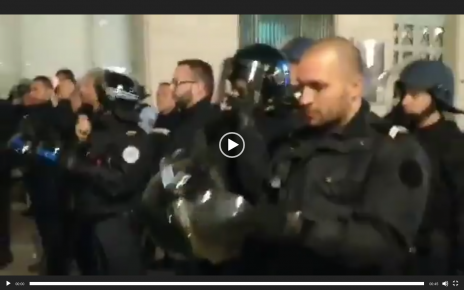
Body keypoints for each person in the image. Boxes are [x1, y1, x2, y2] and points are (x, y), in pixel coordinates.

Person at [240, 37, 431, 275]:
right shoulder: (296, 142)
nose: (305, 99)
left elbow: (384, 245)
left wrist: (300, 228)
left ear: (355, 87)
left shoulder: (392, 150)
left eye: (318, 87)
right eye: (301, 87)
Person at [64, 69, 153, 275]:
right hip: (88, 219)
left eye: (87, 87)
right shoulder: (94, 128)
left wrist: (79, 166)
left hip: (114, 224)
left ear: (107, 94)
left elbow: (121, 182)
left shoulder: (131, 134)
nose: (82, 91)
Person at [385, 60, 464, 275]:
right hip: (396, 250)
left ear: (437, 96)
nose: (405, 101)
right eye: (404, 93)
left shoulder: (453, 145)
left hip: (433, 256)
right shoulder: (398, 132)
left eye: (415, 94)